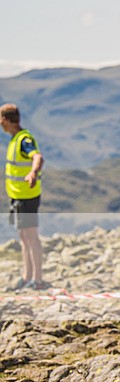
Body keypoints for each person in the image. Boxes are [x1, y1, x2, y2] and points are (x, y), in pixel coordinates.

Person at [1, 103, 47, 291]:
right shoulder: (15, 139)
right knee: (24, 236)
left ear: (5, 119)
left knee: (31, 236)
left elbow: (37, 157)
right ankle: (26, 277)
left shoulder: (24, 140)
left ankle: (37, 279)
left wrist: (33, 173)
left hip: (27, 196)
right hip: (18, 196)